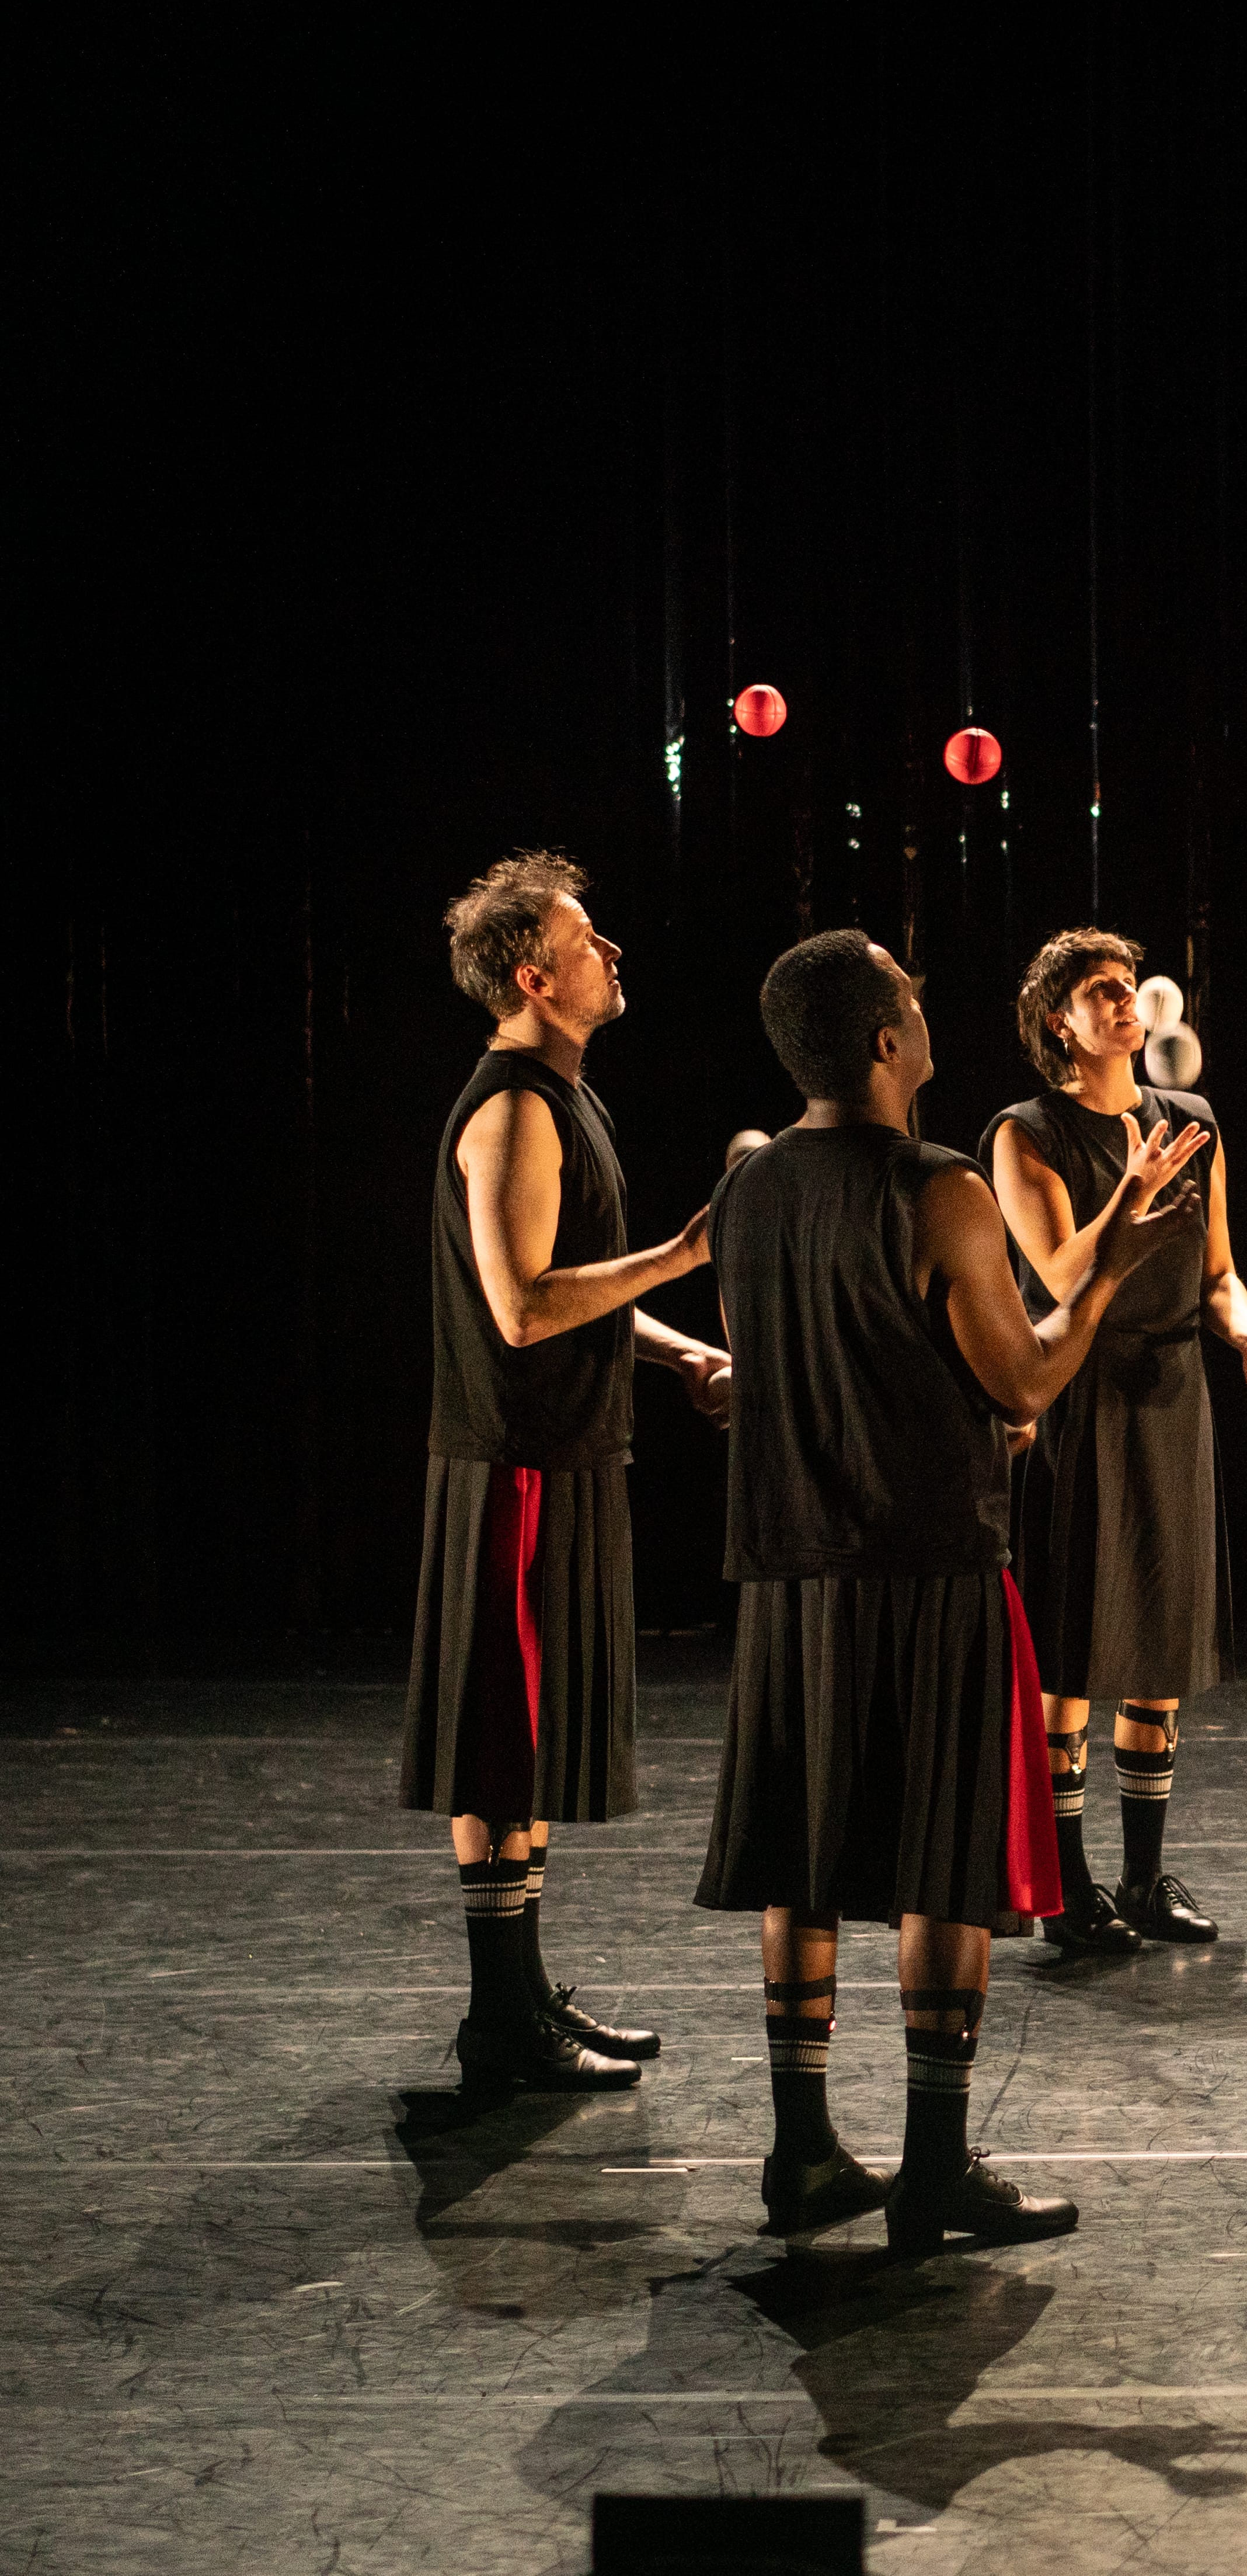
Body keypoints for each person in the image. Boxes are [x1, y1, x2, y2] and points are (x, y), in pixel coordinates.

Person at [696, 929, 1207, 2251]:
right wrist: (1108, 1262)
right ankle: (933, 2167)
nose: (928, 1015)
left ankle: (802, 2152)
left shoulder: (748, 1190)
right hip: (926, 1567)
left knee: (803, 1861)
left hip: (789, 1571)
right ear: (887, 1043)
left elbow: (796, 1368)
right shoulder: (939, 1187)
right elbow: (1026, 1373)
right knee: (946, 1865)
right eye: (913, 1002)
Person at [401, 856, 728, 2104]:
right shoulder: (512, 1112)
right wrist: (685, 1254)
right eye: (589, 941)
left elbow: (574, 1287)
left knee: (532, 1741)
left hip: (570, 1451)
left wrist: (681, 1350)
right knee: (502, 1739)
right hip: (515, 1464)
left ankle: (524, 1991)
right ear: (536, 977)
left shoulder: (566, 1098)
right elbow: (524, 1307)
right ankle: (498, 2019)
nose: (613, 954)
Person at [988, 929, 1247, 1956]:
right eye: (1102, 990)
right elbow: (1061, 1272)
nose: (1128, 1001)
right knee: (1074, 1647)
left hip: (1172, 1393)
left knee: (1160, 1644)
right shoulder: (1026, 1133)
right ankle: (1066, 1888)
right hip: (1076, 1394)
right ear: (1061, 1022)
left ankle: (1141, 1875)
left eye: (1131, 986)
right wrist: (1131, 1189)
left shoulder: (1194, 1122)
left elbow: (1218, 1274)